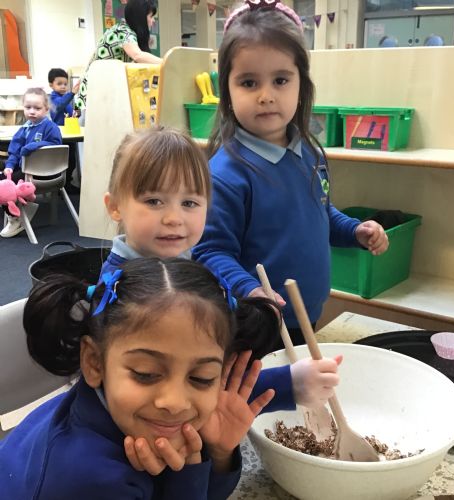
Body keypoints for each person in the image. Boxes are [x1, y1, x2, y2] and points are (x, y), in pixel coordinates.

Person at [100, 126, 342, 413]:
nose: (174, 218)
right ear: (115, 206)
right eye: (154, 201)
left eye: (189, 203)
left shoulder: (187, 267)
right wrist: (288, 384)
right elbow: (189, 391)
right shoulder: (127, 294)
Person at [192, 0, 389, 345]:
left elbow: (320, 212)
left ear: (301, 86)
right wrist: (250, 289)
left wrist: (354, 230)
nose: (266, 96)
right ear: (227, 91)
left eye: (281, 80)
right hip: (256, 321)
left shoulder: (308, 153)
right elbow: (210, 252)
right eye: (249, 82)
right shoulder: (225, 174)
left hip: (307, 313)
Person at [0, 257, 279, 499]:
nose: (175, 402)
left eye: (202, 378)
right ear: (94, 362)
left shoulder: (114, 409)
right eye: (146, 374)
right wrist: (186, 471)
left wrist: (218, 454)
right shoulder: (91, 479)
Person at [74, 0, 163, 111]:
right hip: (92, 97)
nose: (153, 21)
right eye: (151, 16)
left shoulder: (124, 30)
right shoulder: (123, 31)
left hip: (99, 93)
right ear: (140, 16)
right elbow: (137, 55)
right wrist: (167, 62)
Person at [0, 87, 62, 238]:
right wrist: (9, 166)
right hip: (26, 171)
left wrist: (35, 145)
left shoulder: (51, 127)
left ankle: (15, 218)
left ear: (46, 109)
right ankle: (16, 210)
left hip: (46, 173)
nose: (32, 111)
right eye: (28, 107)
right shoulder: (24, 129)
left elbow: (56, 146)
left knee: (6, 186)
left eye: (37, 108)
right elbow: (14, 151)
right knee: (4, 178)